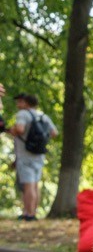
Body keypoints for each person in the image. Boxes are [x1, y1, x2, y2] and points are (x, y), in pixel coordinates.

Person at [7, 92, 58, 220]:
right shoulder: (43, 116)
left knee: (27, 185)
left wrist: (11, 130)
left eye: (19, 101)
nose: (18, 104)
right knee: (35, 184)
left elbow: (20, 129)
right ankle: (32, 211)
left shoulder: (23, 114)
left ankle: (28, 214)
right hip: (39, 155)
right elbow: (54, 132)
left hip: (25, 154)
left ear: (26, 102)